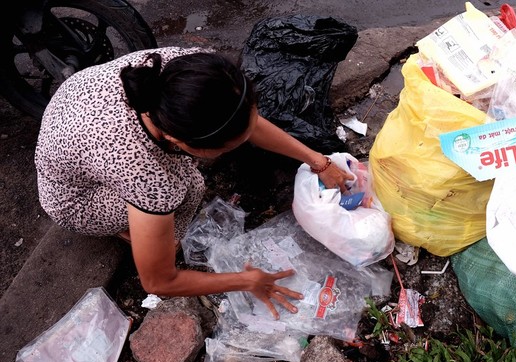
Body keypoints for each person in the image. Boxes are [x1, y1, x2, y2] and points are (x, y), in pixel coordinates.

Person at [34, 46, 354, 320]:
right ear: (176, 140)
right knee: (188, 187)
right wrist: (247, 280)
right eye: (227, 147)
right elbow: (158, 282)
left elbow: (245, 121)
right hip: (74, 197)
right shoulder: (146, 172)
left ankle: (149, 231)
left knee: (185, 184)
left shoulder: (191, 71)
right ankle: (130, 232)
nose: (242, 141)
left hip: (75, 124)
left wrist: (319, 161)